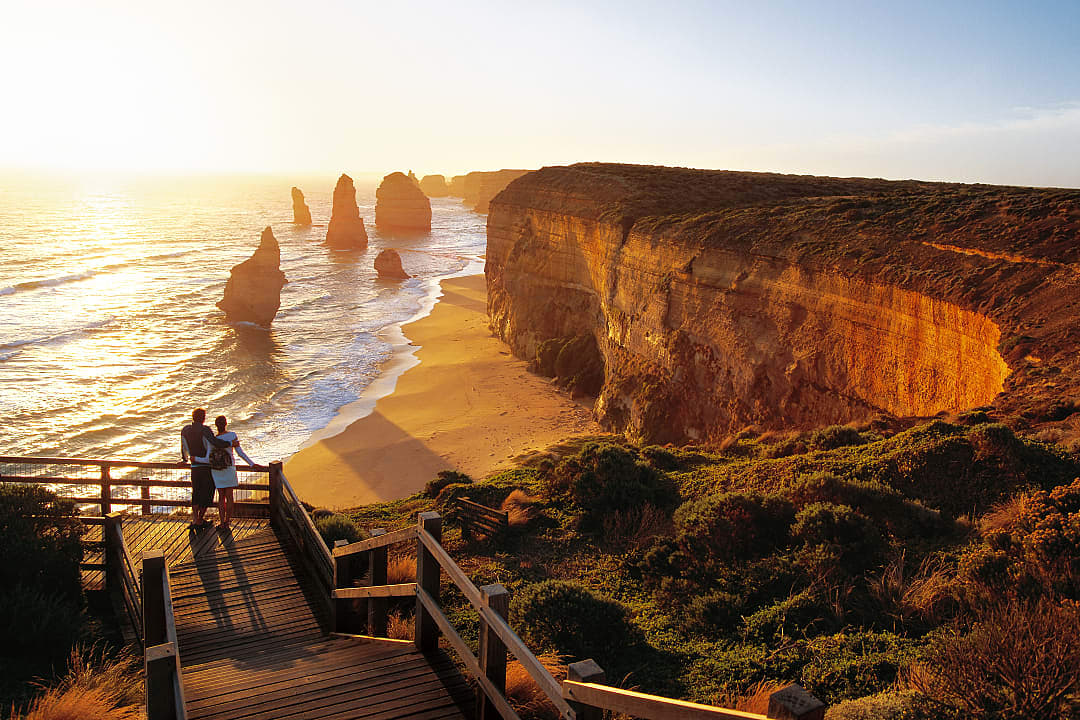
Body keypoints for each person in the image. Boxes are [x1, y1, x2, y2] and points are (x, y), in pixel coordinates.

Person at [195, 415, 256, 530]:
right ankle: (227, 522)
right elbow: (240, 453)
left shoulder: (212, 440)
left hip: (217, 470)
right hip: (229, 468)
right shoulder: (232, 435)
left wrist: (195, 459)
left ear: (216, 425)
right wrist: (251, 464)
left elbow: (208, 459)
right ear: (226, 423)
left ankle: (222, 522)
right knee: (229, 497)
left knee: (221, 497)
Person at [180, 408, 233, 530]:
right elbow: (215, 442)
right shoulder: (205, 430)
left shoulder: (185, 430)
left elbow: (183, 446)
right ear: (203, 418)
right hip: (206, 466)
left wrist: (184, 459)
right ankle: (200, 519)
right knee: (207, 492)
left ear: (193, 417)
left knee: (196, 492)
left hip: (194, 466)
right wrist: (230, 444)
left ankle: (195, 519)